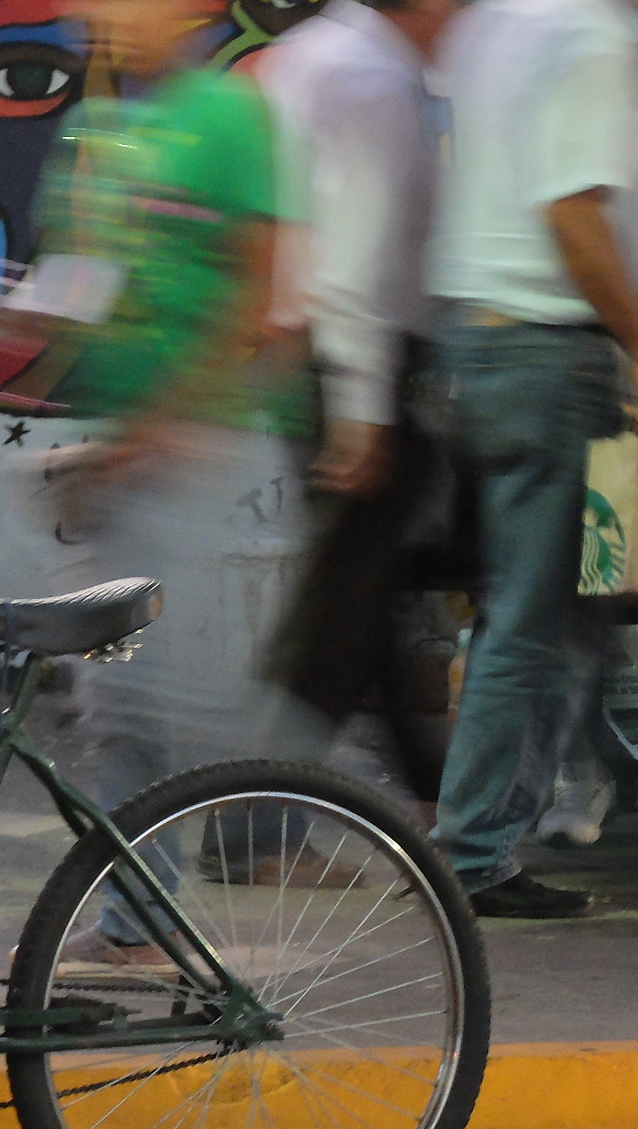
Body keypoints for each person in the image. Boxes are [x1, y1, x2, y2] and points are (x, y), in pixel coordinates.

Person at [27, 0, 306, 925]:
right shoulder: (96, 133)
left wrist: (161, 429)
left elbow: (257, 299)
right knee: (117, 702)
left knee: (173, 700)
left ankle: (235, 855)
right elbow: (79, 287)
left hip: (206, 453)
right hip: (121, 461)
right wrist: (6, 312)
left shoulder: (228, 117)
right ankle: (139, 919)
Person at [421, 0, 638, 920]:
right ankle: (475, 851)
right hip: (549, 352)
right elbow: (572, 213)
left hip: (488, 345)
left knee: (562, 608)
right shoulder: (593, 34)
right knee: (544, 615)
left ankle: (506, 823)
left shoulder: (494, 24)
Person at [258, 0, 459, 805]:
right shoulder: (372, 78)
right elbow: (360, 260)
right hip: (360, 362)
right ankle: (252, 825)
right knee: (340, 606)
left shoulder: (308, 54)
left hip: (314, 352)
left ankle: (435, 791)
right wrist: (362, 407)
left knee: (364, 589)